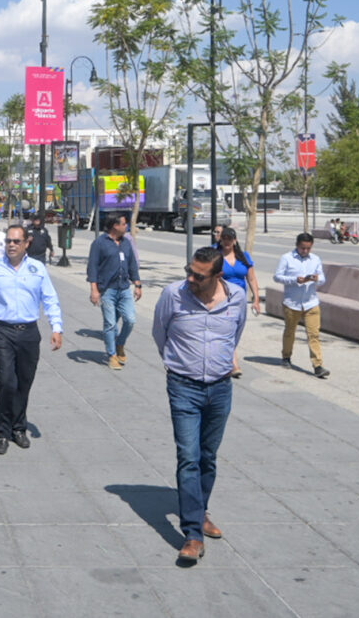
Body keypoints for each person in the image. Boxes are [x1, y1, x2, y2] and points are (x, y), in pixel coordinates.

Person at [152, 246, 247, 564]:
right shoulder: (173, 294)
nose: (190, 278)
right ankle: (192, 533)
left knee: (208, 457)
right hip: (183, 387)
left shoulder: (236, 297)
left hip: (220, 389)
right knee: (188, 457)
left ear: (217, 276)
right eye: (188, 271)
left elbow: (235, 334)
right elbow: (159, 332)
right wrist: (179, 364)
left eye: (198, 275)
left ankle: (200, 509)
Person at [0, 224, 63, 455]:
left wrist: (57, 327)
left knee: (24, 382)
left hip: (29, 333)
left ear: (26, 243)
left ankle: (19, 428)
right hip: (2, 331)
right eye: (8, 241)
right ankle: (2, 432)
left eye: (16, 241)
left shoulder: (37, 268)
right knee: (5, 381)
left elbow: (50, 298)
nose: (11, 245)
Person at [86, 215, 142, 370]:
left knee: (130, 319)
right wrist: (94, 290)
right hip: (107, 290)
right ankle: (112, 355)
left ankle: (120, 344)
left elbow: (132, 265)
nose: (127, 227)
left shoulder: (126, 243)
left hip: (124, 288)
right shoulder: (99, 243)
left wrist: (138, 284)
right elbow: (92, 268)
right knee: (110, 324)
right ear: (114, 226)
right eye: (124, 224)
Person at [274, 232, 329, 378]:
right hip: (292, 303)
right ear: (297, 245)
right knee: (290, 332)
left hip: (311, 302)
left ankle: (317, 365)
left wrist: (317, 278)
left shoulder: (315, 259)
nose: (305, 251)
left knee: (314, 334)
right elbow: (277, 277)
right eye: (302, 248)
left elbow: (322, 278)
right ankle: (286, 357)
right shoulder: (287, 258)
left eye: (308, 248)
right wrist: (294, 280)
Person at [216, 227, 261, 378]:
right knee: (227, 329)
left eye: (230, 239)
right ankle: (233, 364)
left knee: (236, 330)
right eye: (224, 238)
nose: (227, 241)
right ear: (221, 240)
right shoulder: (216, 256)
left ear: (235, 241)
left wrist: (256, 298)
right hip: (222, 299)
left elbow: (252, 278)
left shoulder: (244, 257)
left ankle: (225, 358)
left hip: (240, 300)